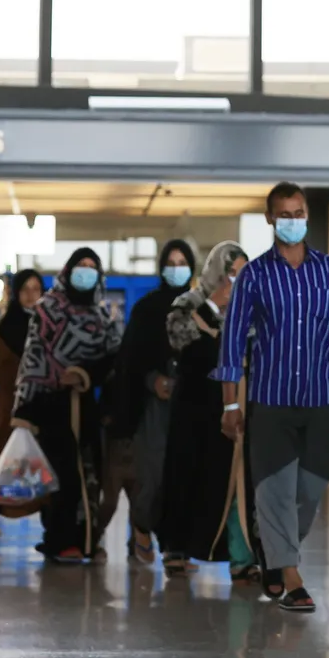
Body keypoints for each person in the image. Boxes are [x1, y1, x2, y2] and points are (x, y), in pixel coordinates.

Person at [217, 182, 329, 613]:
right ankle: (291, 574)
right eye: (284, 214)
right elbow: (231, 344)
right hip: (270, 402)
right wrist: (231, 404)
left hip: (322, 401)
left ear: (306, 216)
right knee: (276, 491)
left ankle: (273, 551)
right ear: (270, 219)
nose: (292, 220)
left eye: (298, 212)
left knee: (309, 492)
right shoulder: (255, 275)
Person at [159, 241, 265, 581]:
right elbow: (178, 338)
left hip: (234, 404)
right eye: (230, 274)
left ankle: (240, 556)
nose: (235, 282)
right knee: (185, 475)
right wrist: (212, 304)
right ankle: (176, 547)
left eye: (242, 274)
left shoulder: (252, 309)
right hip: (193, 407)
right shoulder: (186, 304)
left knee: (235, 481)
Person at [13, 247, 122, 563]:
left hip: (86, 403)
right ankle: (60, 540)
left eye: (92, 267)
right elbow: (34, 357)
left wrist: (84, 374)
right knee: (63, 474)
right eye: (80, 265)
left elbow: (113, 360)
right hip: (50, 404)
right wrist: (26, 407)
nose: (86, 271)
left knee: (90, 472)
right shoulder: (47, 310)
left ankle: (87, 538)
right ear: (68, 270)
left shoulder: (102, 316)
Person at [116, 238, 196, 570]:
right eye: (171, 262)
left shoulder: (199, 308)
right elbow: (131, 359)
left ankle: (176, 547)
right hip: (154, 405)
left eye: (183, 263)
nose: (176, 269)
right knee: (153, 470)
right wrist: (153, 381)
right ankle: (141, 527)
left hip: (191, 406)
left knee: (184, 475)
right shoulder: (148, 309)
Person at [0, 269, 46, 547]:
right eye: (25, 289)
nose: (31, 295)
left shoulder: (48, 326)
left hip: (42, 409)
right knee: (3, 468)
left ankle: (53, 535)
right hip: (11, 411)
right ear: (16, 294)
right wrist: (28, 376)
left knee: (44, 469)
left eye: (36, 289)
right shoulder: (6, 329)